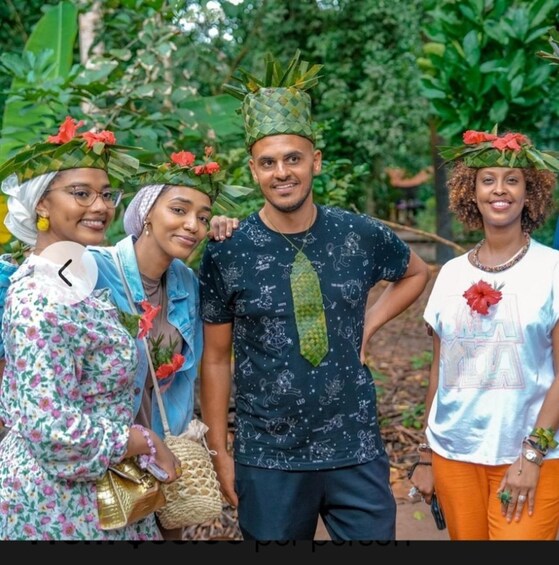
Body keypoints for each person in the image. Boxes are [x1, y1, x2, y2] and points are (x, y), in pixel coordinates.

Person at [198, 52, 431, 541]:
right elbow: (216, 359)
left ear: (315, 162)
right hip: (269, 457)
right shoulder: (228, 250)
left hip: (355, 446)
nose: (281, 172)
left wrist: (368, 324)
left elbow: (415, 272)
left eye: (293, 158)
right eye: (268, 162)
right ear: (253, 170)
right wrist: (221, 452)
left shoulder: (358, 234)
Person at [0, 116, 182, 540]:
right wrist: (143, 440)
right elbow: (52, 429)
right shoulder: (38, 297)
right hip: (56, 507)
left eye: (106, 194)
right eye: (81, 193)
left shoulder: (76, 281)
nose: (100, 207)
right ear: (42, 205)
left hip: (103, 495)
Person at [409, 128, 559, 540]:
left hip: (531, 455)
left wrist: (533, 452)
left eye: (512, 180)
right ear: (470, 193)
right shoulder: (450, 274)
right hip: (454, 455)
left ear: (529, 193)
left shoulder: (552, 270)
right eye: (487, 180)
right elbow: (440, 372)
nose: (500, 190)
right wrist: (426, 453)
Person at [89, 149, 243, 539]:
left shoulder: (187, 282)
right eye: (178, 210)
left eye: (203, 217)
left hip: (166, 463)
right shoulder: (92, 269)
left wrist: (229, 237)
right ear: (146, 214)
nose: (193, 225)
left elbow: (211, 358)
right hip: (106, 462)